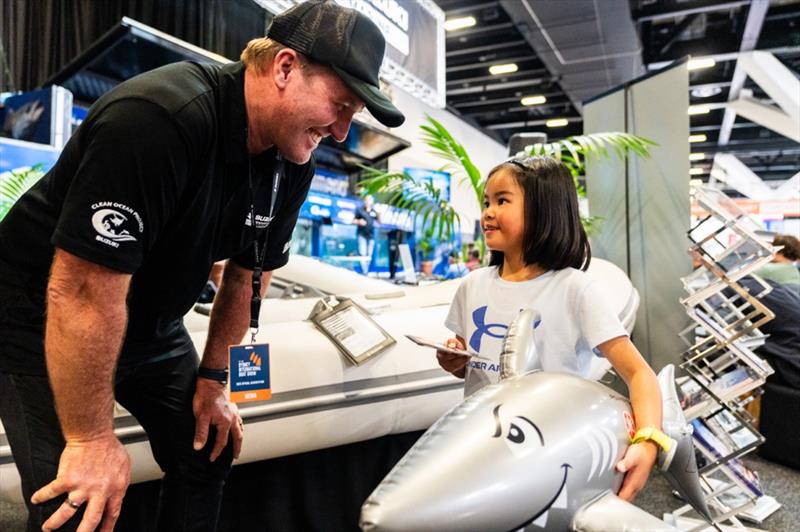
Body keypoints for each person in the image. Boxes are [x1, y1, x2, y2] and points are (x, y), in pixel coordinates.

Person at [0, 1, 404, 531]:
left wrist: (215, 384)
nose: (343, 132)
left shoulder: (290, 157)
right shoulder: (158, 118)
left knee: (208, 448)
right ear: (284, 67)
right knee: (76, 501)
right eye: (342, 105)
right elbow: (80, 292)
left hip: (151, 321)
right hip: (40, 316)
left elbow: (248, 273)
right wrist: (92, 440)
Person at [436, 157, 663, 502]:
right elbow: (473, 364)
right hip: (479, 447)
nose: (488, 212)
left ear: (545, 210)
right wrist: (455, 362)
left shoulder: (575, 289)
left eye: (502, 200)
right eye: (486, 202)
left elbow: (639, 374)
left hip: (551, 453)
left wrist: (648, 442)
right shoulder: (471, 286)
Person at [354, 194, 379, 274]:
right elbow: (353, 220)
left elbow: (379, 221)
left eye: (370, 200)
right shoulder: (359, 210)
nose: (368, 202)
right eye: (366, 200)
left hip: (371, 235)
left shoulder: (374, 211)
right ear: (364, 201)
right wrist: (359, 221)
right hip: (362, 234)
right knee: (363, 253)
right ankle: (365, 271)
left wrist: (380, 214)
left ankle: (366, 270)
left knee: (369, 254)